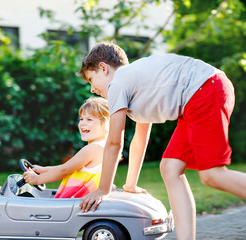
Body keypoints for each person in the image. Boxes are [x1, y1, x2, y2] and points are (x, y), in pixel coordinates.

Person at [77, 42, 246, 240]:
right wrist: (130, 184)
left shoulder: (118, 83)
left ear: (103, 68)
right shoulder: (136, 83)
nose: (92, 89)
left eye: (91, 79)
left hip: (205, 90)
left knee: (212, 175)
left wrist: (102, 190)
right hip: (200, 94)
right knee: (170, 167)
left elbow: (115, 142)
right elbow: (140, 139)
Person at [23, 97, 110, 198]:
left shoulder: (93, 148)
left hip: (74, 202)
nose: (82, 123)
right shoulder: (104, 146)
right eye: (81, 119)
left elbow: (64, 170)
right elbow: (69, 168)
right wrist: (43, 170)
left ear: (106, 124)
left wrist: (38, 179)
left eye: (89, 119)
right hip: (79, 200)